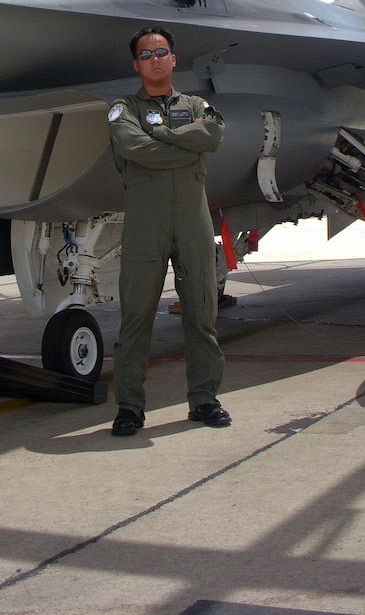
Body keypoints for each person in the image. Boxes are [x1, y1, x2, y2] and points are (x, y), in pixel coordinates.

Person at [107, 25, 231, 436]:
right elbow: (132, 147)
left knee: (201, 312)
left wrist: (159, 134)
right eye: (146, 54)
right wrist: (183, 144)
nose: (155, 59)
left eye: (161, 52)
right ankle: (129, 407)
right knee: (137, 316)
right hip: (146, 225)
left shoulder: (195, 103)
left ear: (173, 59)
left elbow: (212, 133)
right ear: (136, 63)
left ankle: (205, 400)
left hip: (192, 222)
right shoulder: (123, 109)